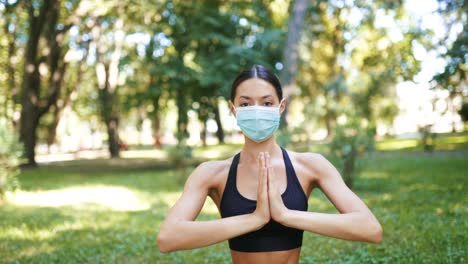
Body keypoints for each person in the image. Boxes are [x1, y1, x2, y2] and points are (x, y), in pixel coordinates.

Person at [157, 65, 382, 263]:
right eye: (245, 104)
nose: (257, 110)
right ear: (233, 110)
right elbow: (168, 238)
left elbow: (370, 229)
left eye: (267, 102)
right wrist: (254, 219)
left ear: (280, 107)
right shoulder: (211, 173)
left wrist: (286, 215)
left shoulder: (311, 166)